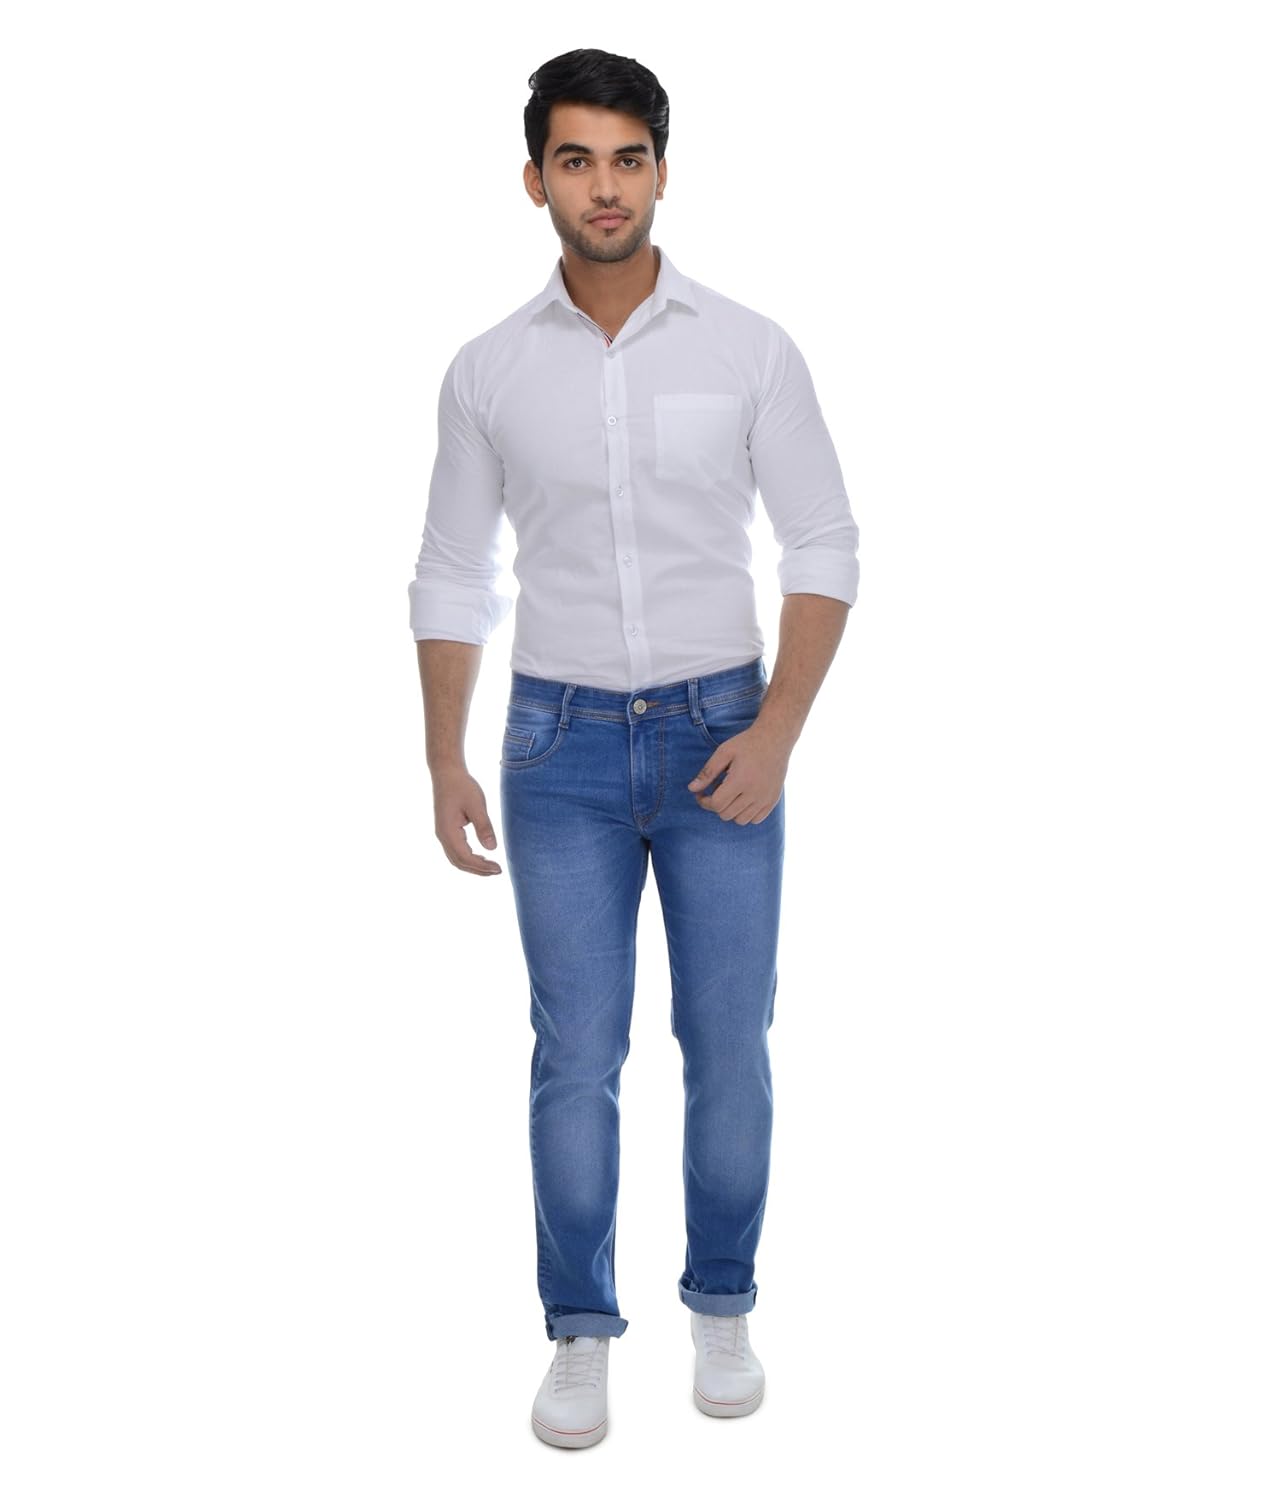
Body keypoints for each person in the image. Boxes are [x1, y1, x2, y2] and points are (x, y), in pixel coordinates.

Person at [408, 48, 859, 1449]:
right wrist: (444, 757)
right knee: (575, 1052)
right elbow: (451, 572)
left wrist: (776, 733)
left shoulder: (748, 349)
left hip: (726, 733)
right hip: (559, 749)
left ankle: (722, 1302)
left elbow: (823, 544)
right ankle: (580, 1330)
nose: (603, 187)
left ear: (662, 171)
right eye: (575, 160)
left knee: (728, 1042)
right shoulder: (487, 371)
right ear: (533, 179)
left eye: (627, 159)